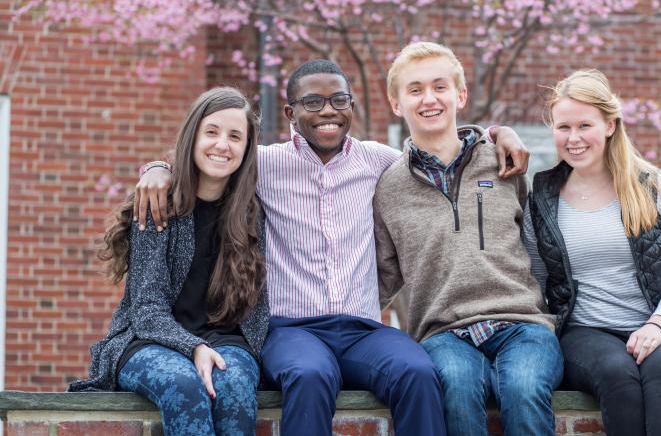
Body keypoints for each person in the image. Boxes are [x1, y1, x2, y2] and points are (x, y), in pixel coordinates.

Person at [133, 59, 531, 436]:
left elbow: (440, 152)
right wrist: (158, 169)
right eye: (312, 102)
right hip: (291, 329)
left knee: (418, 372)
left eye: (339, 101)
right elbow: (212, 155)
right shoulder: (263, 165)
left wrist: (494, 134)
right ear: (290, 114)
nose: (328, 111)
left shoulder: (382, 163)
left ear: (351, 107)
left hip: (363, 329)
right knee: (309, 376)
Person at [373, 42, 563, 436]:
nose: (429, 99)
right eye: (415, 90)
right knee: (456, 391)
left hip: (522, 323)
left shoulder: (504, 161)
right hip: (443, 333)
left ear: (460, 95)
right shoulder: (388, 187)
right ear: (396, 104)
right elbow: (380, 277)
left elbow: (537, 245)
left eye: (440, 87)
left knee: (523, 388)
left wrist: (499, 133)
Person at [525, 69, 661, 436]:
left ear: (610, 125)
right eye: (563, 127)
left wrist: (657, 326)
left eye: (585, 125)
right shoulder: (542, 200)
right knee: (618, 373)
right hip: (584, 332)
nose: (574, 138)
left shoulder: (654, 189)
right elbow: (536, 282)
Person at [69, 87, 270, 436]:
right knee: (183, 385)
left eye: (235, 136)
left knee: (235, 386)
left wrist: (217, 349)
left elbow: (255, 306)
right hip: (146, 342)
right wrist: (193, 348)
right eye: (212, 132)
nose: (222, 145)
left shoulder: (252, 214)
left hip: (228, 341)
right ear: (192, 136)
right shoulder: (158, 203)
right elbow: (146, 309)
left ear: (246, 149)